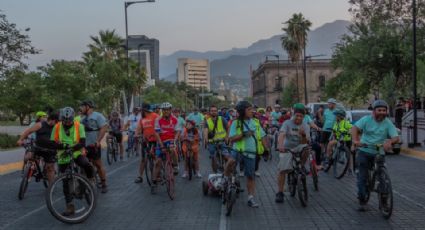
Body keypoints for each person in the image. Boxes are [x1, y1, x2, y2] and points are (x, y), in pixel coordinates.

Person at [351, 99, 399, 211]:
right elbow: (354, 128)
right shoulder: (366, 120)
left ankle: (384, 201)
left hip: (379, 151)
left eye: (384, 110)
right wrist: (356, 141)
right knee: (362, 176)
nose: (382, 112)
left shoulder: (387, 122)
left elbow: (396, 137)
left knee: (383, 177)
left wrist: (390, 142)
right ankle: (362, 198)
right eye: (379, 110)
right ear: (374, 111)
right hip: (365, 149)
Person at [51, 107, 94, 216]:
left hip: (76, 152)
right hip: (63, 155)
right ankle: (70, 206)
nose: (67, 122)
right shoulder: (56, 127)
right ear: (61, 119)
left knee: (86, 165)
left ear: (72, 118)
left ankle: (90, 179)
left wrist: (72, 148)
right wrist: (64, 146)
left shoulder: (79, 126)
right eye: (65, 120)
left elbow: (83, 142)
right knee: (65, 181)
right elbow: (52, 143)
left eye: (69, 120)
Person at [228, 101, 268, 208]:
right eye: (249, 109)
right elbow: (231, 139)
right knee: (230, 163)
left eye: (252, 109)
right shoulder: (235, 123)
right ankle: (226, 181)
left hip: (250, 153)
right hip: (237, 151)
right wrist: (243, 135)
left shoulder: (255, 122)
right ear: (242, 111)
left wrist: (266, 150)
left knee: (250, 176)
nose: (252, 111)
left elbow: (262, 136)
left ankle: (250, 198)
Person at [275, 104, 310, 203]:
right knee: (282, 170)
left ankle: (302, 165)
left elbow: (304, 142)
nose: (299, 118)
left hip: (299, 147)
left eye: (301, 116)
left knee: (307, 149)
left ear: (303, 117)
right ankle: (280, 192)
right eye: (297, 115)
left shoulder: (305, 125)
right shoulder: (287, 123)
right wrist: (280, 146)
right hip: (287, 147)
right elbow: (282, 134)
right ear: (293, 115)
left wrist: (303, 134)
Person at [17, 113, 59, 184]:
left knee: (50, 168)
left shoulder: (57, 127)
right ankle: (29, 170)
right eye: (56, 121)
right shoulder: (40, 124)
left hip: (50, 150)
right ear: (51, 120)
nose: (57, 123)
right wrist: (20, 140)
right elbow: (28, 131)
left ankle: (51, 187)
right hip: (38, 148)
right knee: (27, 157)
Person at [80, 100, 109, 193]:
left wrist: (98, 141)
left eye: (82, 106)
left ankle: (104, 183)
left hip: (94, 145)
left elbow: (104, 128)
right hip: (84, 145)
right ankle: (87, 183)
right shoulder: (82, 119)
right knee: (84, 165)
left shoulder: (98, 116)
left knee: (98, 164)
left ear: (88, 106)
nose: (81, 108)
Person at [152, 102, 180, 193]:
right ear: (162, 111)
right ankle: (154, 182)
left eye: (168, 109)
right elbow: (156, 133)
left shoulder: (175, 119)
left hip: (171, 140)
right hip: (161, 141)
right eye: (164, 110)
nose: (166, 111)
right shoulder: (158, 120)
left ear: (170, 110)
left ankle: (175, 166)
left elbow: (178, 132)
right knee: (158, 162)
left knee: (172, 150)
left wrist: (175, 141)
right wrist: (160, 145)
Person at [134, 103, 159, 183]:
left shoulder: (155, 116)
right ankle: (140, 176)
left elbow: (160, 125)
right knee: (143, 159)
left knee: (156, 158)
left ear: (145, 110)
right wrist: (136, 134)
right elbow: (138, 128)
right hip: (146, 140)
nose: (140, 111)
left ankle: (159, 173)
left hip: (155, 140)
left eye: (142, 110)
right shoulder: (142, 119)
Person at [203, 105, 228, 173]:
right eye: (212, 111)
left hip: (222, 140)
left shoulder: (222, 119)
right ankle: (215, 173)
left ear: (217, 112)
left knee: (226, 156)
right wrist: (206, 139)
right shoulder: (207, 121)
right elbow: (205, 131)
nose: (213, 112)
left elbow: (228, 128)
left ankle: (228, 170)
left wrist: (226, 137)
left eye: (215, 111)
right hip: (212, 142)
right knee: (213, 157)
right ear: (209, 112)